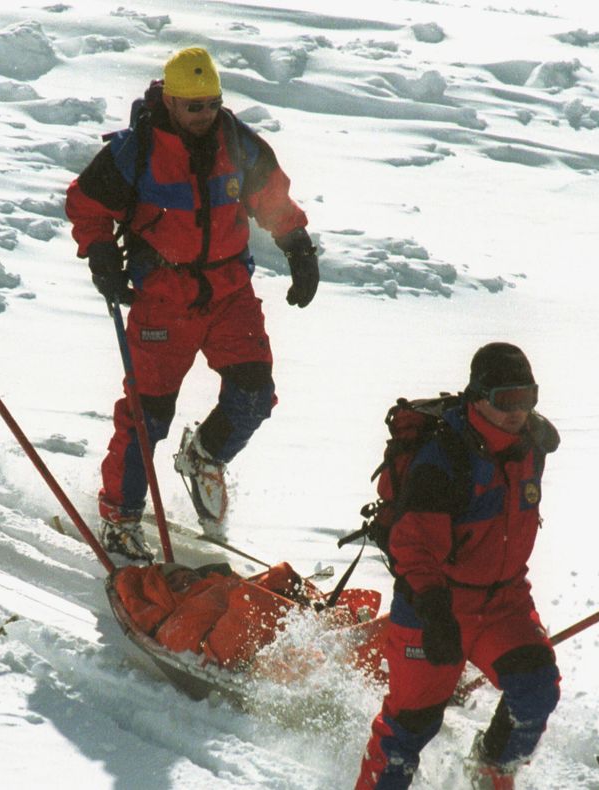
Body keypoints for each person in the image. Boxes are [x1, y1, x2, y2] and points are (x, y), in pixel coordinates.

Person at [65, 46, 318, 562]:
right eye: (194, 106)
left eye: (213, 104)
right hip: (164, 294)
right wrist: (100, 253)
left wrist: (297, 246)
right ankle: (120, 516)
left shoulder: (237, 144)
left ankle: (205, 455)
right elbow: (86, 202)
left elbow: (272, 197)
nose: (206, 115)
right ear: (171, 102)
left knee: (254, 395)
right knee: (147, 416)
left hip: (229, 290)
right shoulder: (137, 151)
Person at [355, 342, 562, 790]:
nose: (518, 411)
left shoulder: (532, 445)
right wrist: (434, 612)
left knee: (536, 688)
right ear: (479, 397)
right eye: (507, 399)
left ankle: (490, 770)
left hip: (504, 600)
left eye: (528, 397)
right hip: (435, 603)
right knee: (409, 727)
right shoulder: (444, 459)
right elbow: (413, 547)